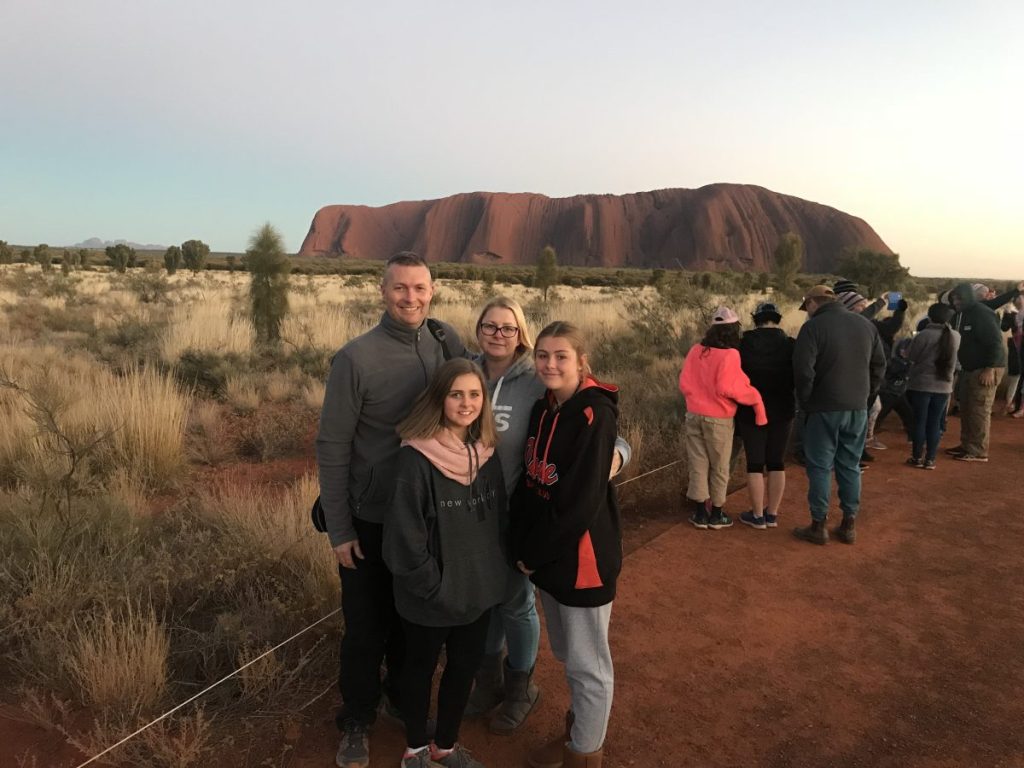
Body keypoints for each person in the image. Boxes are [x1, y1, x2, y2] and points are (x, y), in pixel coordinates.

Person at [317, 252, 466, 768]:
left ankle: (404, 703)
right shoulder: (356, 358)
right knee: (364, 627)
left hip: (427, 519)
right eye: (400, 288)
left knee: (413, 623)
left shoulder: (447, 342)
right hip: (371, 519)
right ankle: (357, 718)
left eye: (420, 288)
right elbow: (332, 446)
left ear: (433, 290)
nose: (411, 298)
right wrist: (339, 530)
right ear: (383, 291)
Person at [464, 297, 631, 734]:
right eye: (490, 326)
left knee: (527, 613)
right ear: (477, 329)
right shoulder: (473, 376)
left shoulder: (539, 387)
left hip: (559, 544)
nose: (498, 334)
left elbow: (603, 440)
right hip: (490, 521)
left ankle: (527, 694)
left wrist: (615, 458)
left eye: (508, 327)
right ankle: (491, 681)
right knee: (489, 605)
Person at [384, 359, 506, 768]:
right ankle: (416, 749)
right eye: (456, 394)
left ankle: (446, 745)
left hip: (477, 591)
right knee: (418, 671)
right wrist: (434, 586)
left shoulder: (488, 454)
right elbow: (403, 538)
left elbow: (498, 521)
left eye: (474, 394)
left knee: (463, 668)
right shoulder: (414, 460)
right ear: (439, 398)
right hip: (430, 596)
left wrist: (492, 575)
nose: (466, 403)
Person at [511, 321, 621, 768]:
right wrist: (522, 544)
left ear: (581, 361)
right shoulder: (545, 407)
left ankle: (584, 756)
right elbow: (532, 481)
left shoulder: (595, 414)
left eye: (561, 356)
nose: (550, 364)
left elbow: (579, 504)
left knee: (588, 665)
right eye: (542, 355)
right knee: (569, 656)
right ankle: (580, 733)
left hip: (584, 560)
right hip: (549, 559)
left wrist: (531, 554)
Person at [792, 285, 885, 545]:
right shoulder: (865, 325)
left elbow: (802, 371)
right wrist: (866, 397)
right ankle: (848, 524)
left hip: (823, 408)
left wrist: (807, 401)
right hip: (856, 408)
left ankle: (818, 525)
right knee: (850, 465)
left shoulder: (812, 328)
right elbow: (879, 365)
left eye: (806, 307)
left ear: (812, 303)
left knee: (820, 465)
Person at [679, 307, 767, 530]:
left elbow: (684, 383)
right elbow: (730, 387)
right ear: (733, 330)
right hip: (719, 418)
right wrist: (755, 399)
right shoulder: (731, 355)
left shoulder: (695, 350)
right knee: (720, 466)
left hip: (693, 415)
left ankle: (700, 513)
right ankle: (717, 514)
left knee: (698, 463)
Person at [735, 301, 795, 530]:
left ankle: (757, 515)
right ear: (777, 318)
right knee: (777, 462)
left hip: (750, 410)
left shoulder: (743, 344)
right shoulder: (790, 344)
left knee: (755, 464)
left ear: (756, 319)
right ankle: (772, 514)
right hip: (783, 409)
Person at [945, 282, 1006, 462]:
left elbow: (996, 343)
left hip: (986, 368)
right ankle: (967, 444)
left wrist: (990, 368)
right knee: (967, 407)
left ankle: (978, 450)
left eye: (959, 298)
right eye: (954, 299)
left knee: (979, 408)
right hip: (969, 368)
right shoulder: (961, 315)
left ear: (968, 297)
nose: (956, 302)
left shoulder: (982, 314)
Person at [906, 303, 961, 468]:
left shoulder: (923, 335)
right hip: (944, 386)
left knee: (920, 421)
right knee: (935, 423)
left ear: (930, 317)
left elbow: (912, 356)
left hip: (921, 385)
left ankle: (916, 457)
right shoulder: (956, 336)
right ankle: (930, 459)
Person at [1000, 296, 1024, 415]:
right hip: (1015, 346)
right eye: (1017, 298)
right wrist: (1007, 315)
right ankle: (1011, 403)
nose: (1019, 300)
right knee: (1015, 375)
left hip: (1018, 345)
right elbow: (1004, 327)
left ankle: (1016, 405)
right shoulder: (1012, 312)